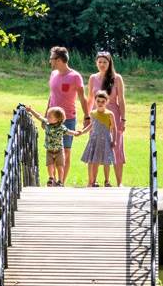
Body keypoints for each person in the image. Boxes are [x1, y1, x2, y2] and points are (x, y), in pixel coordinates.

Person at [46, 46, 88, 181]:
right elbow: (51, 95)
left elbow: (82, 98)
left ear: (59, 60)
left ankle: (61, 182)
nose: (50, 61)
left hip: (68, 119)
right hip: (52, 119)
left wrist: (87, 116)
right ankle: (52, 179)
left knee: (66, 152)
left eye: (52, 59)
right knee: (52, 150)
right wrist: (46, 114)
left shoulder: (75, 77)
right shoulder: (53, 74)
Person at [88, 51, 126, 185]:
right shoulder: (93, 78)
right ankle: (93, 181)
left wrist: (123, 119)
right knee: (96, 146)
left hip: (113, 115)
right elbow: (90, 99)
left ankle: (119, 182)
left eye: (105, 62)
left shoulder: (117, 78)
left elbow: (121, 100)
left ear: (109, 63)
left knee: (116, 147)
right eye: (100, 62)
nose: (102, 64)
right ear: (96, 63)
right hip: (97, 116)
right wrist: (87, 117)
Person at [71, 90, 119, 187]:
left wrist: (114, 140)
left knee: (106, 161)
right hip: (94, 140)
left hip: (106, 140)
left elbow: (114, 128)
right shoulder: (92, 113)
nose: (100, 103)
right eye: (98, 101)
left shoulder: (109, 114)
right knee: (94, 161)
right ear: (95, 101)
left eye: (103, 101)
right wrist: (82, 131)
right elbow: (91, 126)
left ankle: (107, 180)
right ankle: (94, 181)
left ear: (107, 102)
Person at [39, 107, 72, 186]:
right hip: (49, 151)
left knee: (60, 167)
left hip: (59, 151)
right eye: (47, 116)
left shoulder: (61, 127)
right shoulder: (47, 124)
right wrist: (31, 111)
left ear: (57, 119)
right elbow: (39, 117)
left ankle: (60, 181)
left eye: (50, 116)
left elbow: (69, 132)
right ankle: (51, 178)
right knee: (49, 165)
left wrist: (76, 133)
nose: (47, 117)